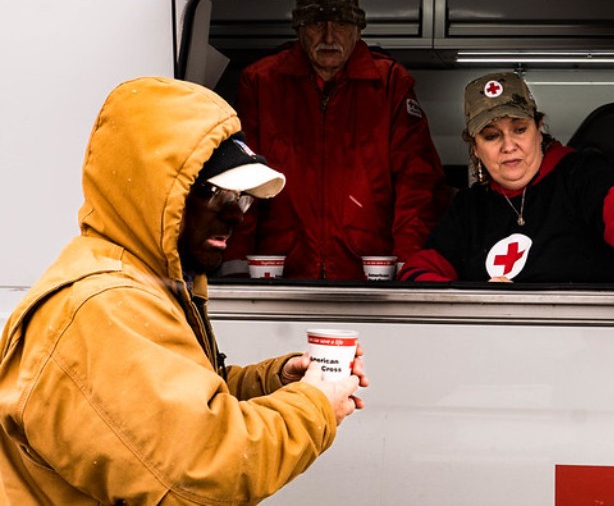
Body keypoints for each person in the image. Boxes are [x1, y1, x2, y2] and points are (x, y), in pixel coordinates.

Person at [0, 77, 369, 503]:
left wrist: (276, 382)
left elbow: (182, 412)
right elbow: (202, 474)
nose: (237, 216)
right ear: (155, 193)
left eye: (243, 198)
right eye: (218, 194)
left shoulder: (144, 283)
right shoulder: (104, 308)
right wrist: (315, 404)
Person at [398, 72, 614, 301]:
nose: (508, 145)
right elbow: (417, 272)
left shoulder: (578, 174)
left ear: (539, 129)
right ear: (475, 147)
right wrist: (472, 297)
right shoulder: (469, 207)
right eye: (491, 136)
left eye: (519, 129)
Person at [221, 0, 450, 280]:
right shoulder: (260, 82)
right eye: (317, 23)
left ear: (358, 28)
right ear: (299, 27)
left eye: (341, 23)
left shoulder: (390, 83)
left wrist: (409, 268)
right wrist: (235, 267)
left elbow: (417, 185)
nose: (329, 36)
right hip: (278, 272)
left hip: (371, 276)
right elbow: (241, 181)